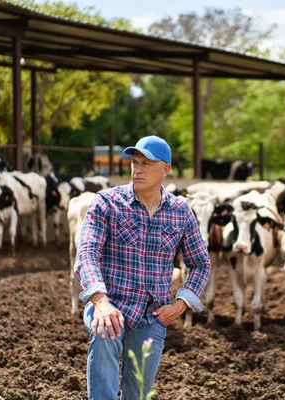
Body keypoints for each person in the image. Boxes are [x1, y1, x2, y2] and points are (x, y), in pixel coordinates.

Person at [74, 135, 211, 400]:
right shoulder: (107, 202)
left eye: (147, 163)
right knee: (105, 331)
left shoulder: (181, 211)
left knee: (136, 393)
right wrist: (100, 302)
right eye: (135, 162)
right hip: (110, 304)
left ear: (165, 169)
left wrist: (180, 304)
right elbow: (87, 254)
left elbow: (200, 264)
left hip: (152, 316)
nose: (138, 169)